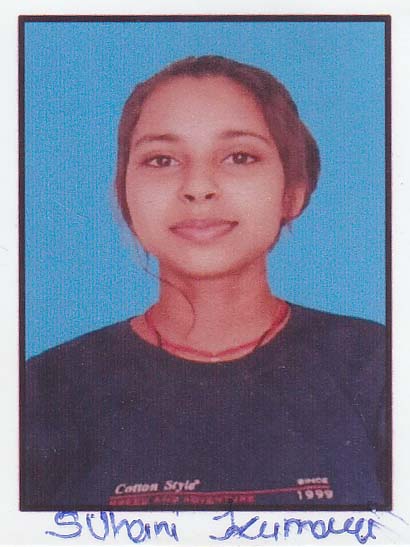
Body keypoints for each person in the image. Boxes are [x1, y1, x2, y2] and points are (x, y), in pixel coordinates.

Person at [22, 55, 388, 510]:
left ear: (292, 191)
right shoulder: (42, 391)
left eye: (239, 157)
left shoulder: (380, 369)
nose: (198, 187)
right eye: (161, 160)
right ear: (125, 195)